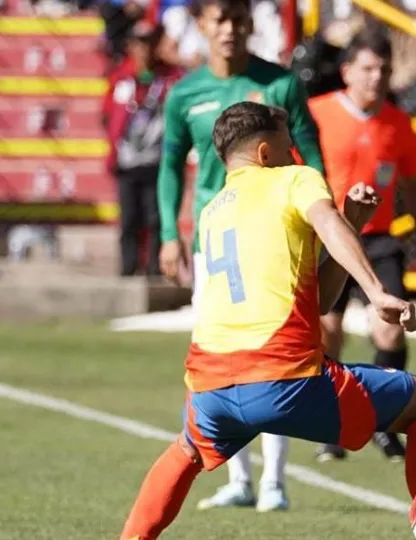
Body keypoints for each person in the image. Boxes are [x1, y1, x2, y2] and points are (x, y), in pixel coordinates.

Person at [80, 101, 416, 540]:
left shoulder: (212, 211)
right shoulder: (294, 179)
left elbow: (317, 300)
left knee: (183, 453)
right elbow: (326, 226)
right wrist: (376, 290)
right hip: (284, 379)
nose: (295, 151)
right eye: (288, 142)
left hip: (211, 384)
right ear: (267, 151)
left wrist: (351, 220)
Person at [156, 0, 325, 513]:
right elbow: (169, 165)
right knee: (219, 358)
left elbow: (310, 153)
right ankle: (239, 477)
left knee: (272, 357)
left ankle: (274, 480)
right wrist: (170, 232)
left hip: (272, 238)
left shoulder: (279, 85)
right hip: (214, 245)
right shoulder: (185, 93)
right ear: (203, 26)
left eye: (238, 19)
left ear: (251, 24)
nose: (229, 29)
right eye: (219, 19)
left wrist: (322, 212)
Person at [305, 29, 416, 462]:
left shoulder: (398, 122)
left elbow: (414, 182)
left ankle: (383, 421)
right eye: (367, 69)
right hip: (326, 238)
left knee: (390, 327)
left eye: (383, 69)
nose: (376, 77)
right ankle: (329, 424)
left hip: (378, 240)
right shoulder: (317, 113)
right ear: (346, 72)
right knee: (328, 332)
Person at [103, 21, 180, 277]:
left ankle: (154, 269)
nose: (144, 50)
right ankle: (128, 268)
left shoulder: (169, 79)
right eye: (139, 44)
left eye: (149, 44)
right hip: (127, 161)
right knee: (128, 220)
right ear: (131, 47)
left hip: (157, 161)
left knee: (155, 217)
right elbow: (107, 114)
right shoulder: (121, 78)